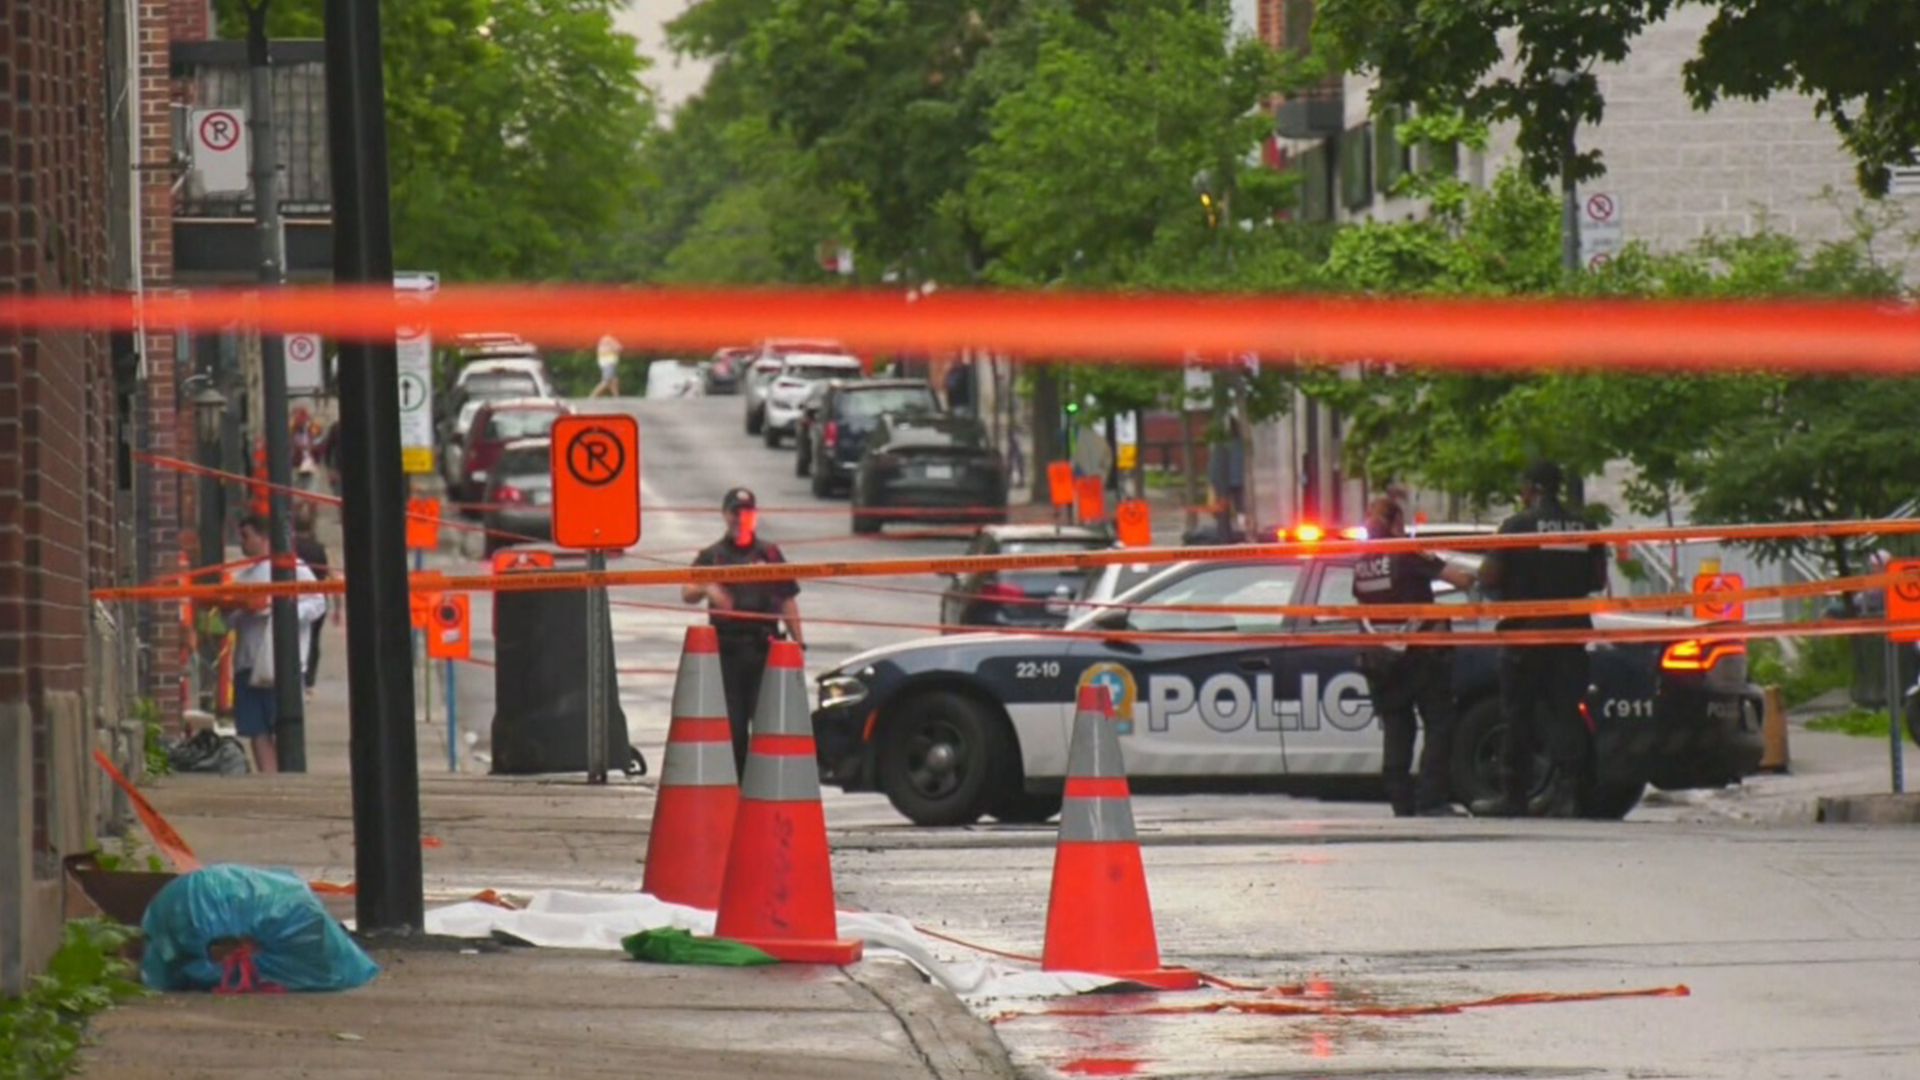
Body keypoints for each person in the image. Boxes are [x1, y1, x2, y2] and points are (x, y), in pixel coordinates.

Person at [1470, 460, 1610, 818]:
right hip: (1569, 635)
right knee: (1567, 713)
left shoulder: (1517, 526)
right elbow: (1597, 579)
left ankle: (1513, 797)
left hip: (1525, 637)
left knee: (1518, 717)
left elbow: (1488, 577)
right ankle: (1570, 795)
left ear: (1531, 488)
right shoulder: (1584, 527)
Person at [1353, 494, 1475, 817]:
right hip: (1420, 658)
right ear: (1395, 523)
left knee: (1397, 728)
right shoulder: (1405, 553)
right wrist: (1478, 576)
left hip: (1380, 660)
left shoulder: (1362, 562)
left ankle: (1401, 804)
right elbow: (1458, 579)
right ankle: (1431, 799)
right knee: (1439, 724)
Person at [682, 488, 805, 773]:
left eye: (747, 512)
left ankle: (763, 791)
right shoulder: (712, 556)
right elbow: (687, 592)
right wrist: (708, 586)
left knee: (768, 728)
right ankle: (737, 790)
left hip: (765, 650)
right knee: (733, 730)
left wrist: (798, 644)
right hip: (727, 654)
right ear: (725, 515)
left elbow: (787, 600)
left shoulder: (770, 554)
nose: (741, 518)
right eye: (735, 512)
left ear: (755, 516)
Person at [225, 513, 327, 773]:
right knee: (256, 729)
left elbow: (317, 604)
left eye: (246, 536)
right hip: (248, 662)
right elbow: (232, 617)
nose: (242, 543)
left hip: (282, 662)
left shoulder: (294, 569)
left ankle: (287, 778)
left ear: (264, 538)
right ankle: (269, 779)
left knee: (283, 725)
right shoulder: (245, 575)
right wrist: (241, 609)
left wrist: (278, 609)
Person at [291, 502, 331, 696]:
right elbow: (327, 575)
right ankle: (309, 680)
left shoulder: (291, 548)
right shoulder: (318, 549)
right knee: (314, 639)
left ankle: (301, 674)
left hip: (297, 596)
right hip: (318, 597)